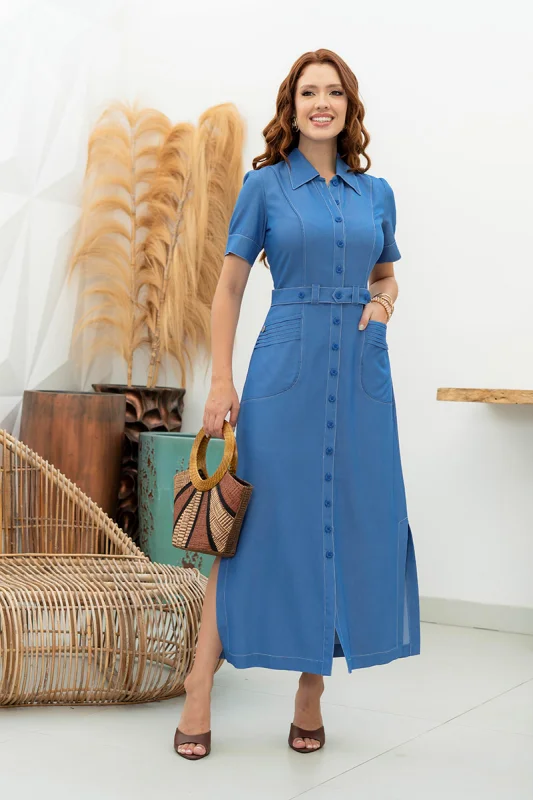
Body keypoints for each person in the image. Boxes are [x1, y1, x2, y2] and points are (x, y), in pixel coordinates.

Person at [174, 48, 421, 761]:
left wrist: (381, 307)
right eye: (309, 92)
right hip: (284, 374)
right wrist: (220, 383)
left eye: (333, 92)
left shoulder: (375, 195)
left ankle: (310, 692)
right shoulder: (264, 187)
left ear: (349, 106)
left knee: (344, 527)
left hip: (361, 380)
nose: (322, 103)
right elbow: (228, 289)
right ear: (291, 106)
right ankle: (198, 683)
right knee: (247, 530)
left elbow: (386, 277)